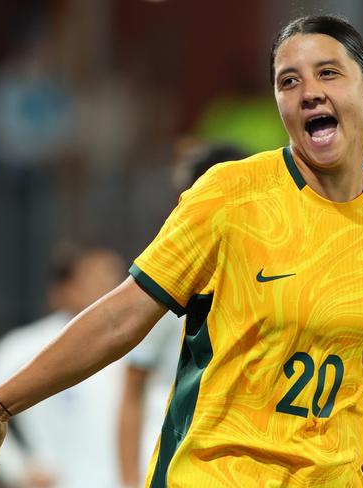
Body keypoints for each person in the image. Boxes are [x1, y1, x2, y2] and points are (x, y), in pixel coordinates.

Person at [0, 15, 363, 488]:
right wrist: (2, 401)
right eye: (289, 81)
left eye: (328, 74)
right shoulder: (231, 194)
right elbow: (125, 313)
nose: (309, 93)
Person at [117, 142, 248, 488]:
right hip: (171, 458)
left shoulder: (265, 282)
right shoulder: (169, 287)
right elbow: (132, 392)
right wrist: (129, 480)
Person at [0, 244, 125, 488]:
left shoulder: (139, 348)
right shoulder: (29, 346)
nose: (108, 286)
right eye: (94, 278)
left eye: (114, 277)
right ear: (63, 289)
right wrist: (19, 470)